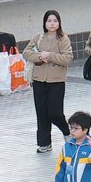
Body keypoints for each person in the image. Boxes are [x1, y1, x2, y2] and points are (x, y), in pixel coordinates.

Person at [24, 10, 74, 154]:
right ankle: (44, 143)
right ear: (45, 23)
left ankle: (67, 132)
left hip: (56, 81)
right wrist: (40, 56)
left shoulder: (63, 39)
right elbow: (26, 52)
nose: (52, 24)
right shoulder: (38, 37)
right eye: (49, 21)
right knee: (41, 112)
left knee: (55, 112)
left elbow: (67, 58)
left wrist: (50, 56)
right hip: (39, 80)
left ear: (59, 23)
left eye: (55, 21)